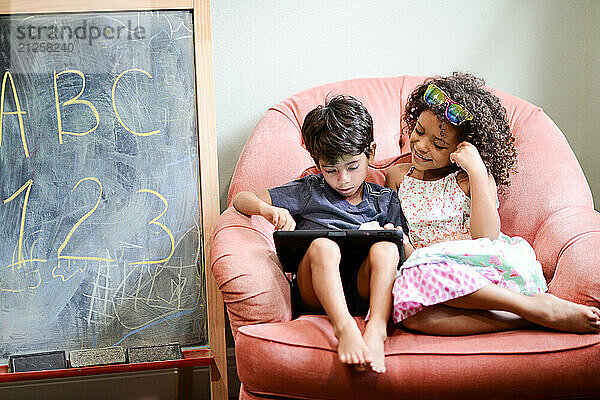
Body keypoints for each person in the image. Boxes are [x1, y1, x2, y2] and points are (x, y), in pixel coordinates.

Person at [386, 72, 600, 335]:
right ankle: (530, 314)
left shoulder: (468, 177)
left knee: (423, 277)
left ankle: (529, 307)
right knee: (409, 311)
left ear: (463, 148)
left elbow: (486, 235)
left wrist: (476, 170)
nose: (421, 145)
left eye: (439, 144)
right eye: (419, 131)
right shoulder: (398, 176)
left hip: (478, 265)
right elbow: (393, 223)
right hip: (429, 268)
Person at [233, 94, 408, 373]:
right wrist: (268, 211)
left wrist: (393, 236)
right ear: (317, 164)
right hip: (315, 288)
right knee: (323, 246)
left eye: (353, 167)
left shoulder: (385, 199)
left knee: (386, 247)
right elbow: (242, 199)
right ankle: (344, 327)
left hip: (365, 286)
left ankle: (376, 328)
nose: (344, 180)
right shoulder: (309, 190)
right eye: (331, 170)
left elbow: (405, 250)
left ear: (370, 153)